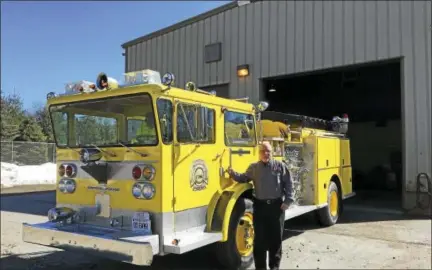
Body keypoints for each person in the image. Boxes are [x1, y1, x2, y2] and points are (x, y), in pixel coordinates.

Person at [228, 141, 294, 270]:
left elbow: (289, 183)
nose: (266, 153)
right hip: (260, 208)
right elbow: (243, 178)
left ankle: (274, 267)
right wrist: (232, 173)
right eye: (263, 151)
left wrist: (288, 201)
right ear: (258, 153)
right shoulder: (253, 168)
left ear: (272, 152)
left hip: (276, 208)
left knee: (275, 240)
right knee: (259, 241)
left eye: (268, 151)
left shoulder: (280, 166)